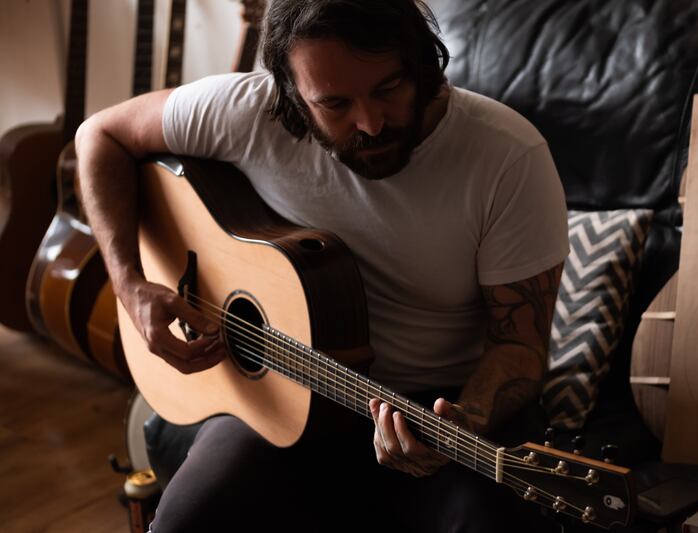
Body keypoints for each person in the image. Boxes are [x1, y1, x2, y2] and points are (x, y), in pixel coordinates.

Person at [75, 0, 569, 531]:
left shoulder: (506, 157)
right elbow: (99, 136)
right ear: (289, 93)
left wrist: (462, 423)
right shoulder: (245, 111)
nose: (371, 123)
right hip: (279, 391)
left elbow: (519, 344)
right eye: (334, 103)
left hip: (437, 405)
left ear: (422, 64)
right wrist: (130, 285)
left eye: (388, 87)